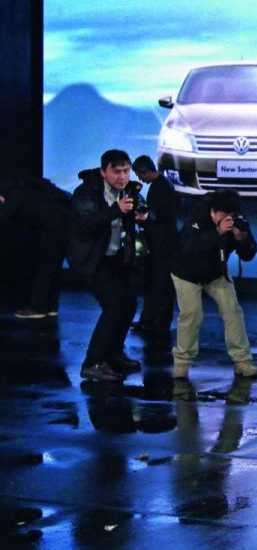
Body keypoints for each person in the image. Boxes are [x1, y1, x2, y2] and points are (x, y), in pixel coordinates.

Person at [68, 149, 148, 383]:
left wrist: (143, 216)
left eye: (126, 171)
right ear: (104, 172)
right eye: (117, 172)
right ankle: (92, 363)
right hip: (94, 259)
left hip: (118, 258)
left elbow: (142, 211)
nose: (122, 177)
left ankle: (114, 354)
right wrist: (116, 210)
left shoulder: (130, 190)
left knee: (129, 304)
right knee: (114, 306)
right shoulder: (86, 192)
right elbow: (84, 224)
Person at [170, 189, 257, 380]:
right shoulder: (197, 216)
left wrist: (242, 239)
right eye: (224, 215)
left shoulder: (237, 221)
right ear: (214, 211)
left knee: (232, 311)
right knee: (192, 314)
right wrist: (217, 232)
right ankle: (182, 364)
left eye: (231, 215)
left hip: (216, 273)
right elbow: (188, 249)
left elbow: (249, 254)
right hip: (186, 273)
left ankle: (242, 361)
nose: (228, 219)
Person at [0, 168, 71, 319]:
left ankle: (38, 308)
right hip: (63, 221)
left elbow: (5, 214)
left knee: (47, 265)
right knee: (52, 266)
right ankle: (50, 305)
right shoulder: (23, 186)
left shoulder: (13, 195)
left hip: (56, 225)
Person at [131, 154, 181, 341]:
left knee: (161, 284)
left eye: (139, 174)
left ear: (145, 170)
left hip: (163, 244)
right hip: (158, 243)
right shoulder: (161, 185)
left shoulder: (163, 186)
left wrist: (147, 217)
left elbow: (164, 214)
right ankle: (149, 319)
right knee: (154, 282)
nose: (139, 178)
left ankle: (159, 322)